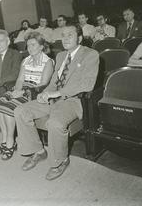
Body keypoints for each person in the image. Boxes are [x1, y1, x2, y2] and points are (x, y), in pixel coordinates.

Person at [14, 25, 99, 181]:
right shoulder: (60, 56)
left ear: (79, 38)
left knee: (54, 123)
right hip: (53, 98)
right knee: (20, 111)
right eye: (63, 35)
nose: (65, 38)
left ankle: (60, 161)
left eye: (70, 35)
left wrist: (57, 93)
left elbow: (87, 85)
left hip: (73, 101)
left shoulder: (90, 54)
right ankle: (38, 151)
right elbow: (54, 81)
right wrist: (45, 93)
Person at [0, 32, 54, 160]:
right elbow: (20, 79)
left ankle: (10, 142)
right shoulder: (26, 60)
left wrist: (23, 92)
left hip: (35, 92)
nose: (30, 48)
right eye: (28, 45)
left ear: (41, 46)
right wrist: (17, 91)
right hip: (22, 88)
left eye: (33, 45)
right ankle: (5, 139)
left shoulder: (48, 62)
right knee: (0, 103)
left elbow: (43, 84)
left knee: (10, 108)